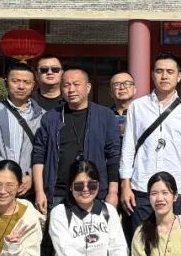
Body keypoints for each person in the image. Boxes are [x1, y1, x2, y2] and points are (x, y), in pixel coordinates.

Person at [121, 53, 181, 230]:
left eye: (170, 72)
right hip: (142, 187)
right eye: (159, 71)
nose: (164, 76)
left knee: (175, 240)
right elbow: (128, 147)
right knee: (141, 239)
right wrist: (125, 185)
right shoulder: (137, 106)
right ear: (152, 75)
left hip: (178, 189)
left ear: (179, 76)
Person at [32, 67, 122, 214]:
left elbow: (113, 155)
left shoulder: (105, 116)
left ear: (88, 87)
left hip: (94, 192)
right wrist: (39, 191)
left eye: (76, 84)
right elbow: (38, 156)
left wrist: (113, 192)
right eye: (66, 85)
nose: (71, 89)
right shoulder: (51, 118)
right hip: (58, 193)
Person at [0, 61, 43, 197]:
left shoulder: (42, 115)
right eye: (15, 81)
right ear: (6, 82)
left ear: (33, 85)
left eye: (26, 82)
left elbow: (44, 152)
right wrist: (9, 179)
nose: (21, 86)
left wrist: (31, 175)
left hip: (28, 187)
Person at [109, 71, 136, 141]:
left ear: (134, 90)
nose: (122, 87)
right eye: (117, 84)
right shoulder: (104, 116)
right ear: (111, 92)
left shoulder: (143, 114)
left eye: (127, 83)